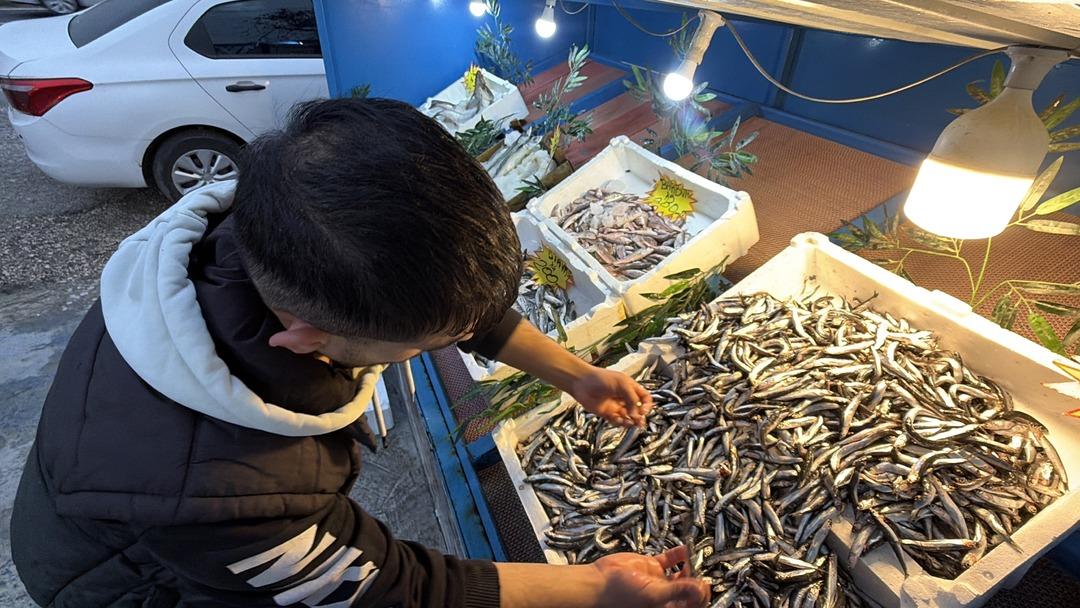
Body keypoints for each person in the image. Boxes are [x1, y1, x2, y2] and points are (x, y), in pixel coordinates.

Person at [11, 98, 709, 608]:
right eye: (426, 345)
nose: (446, 342)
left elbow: (439, 306)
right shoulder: (230, 497)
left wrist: (577, 376)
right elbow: (387, 586)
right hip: (125, 580)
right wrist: (595, 588)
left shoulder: (267, 225)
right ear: (306, 338)